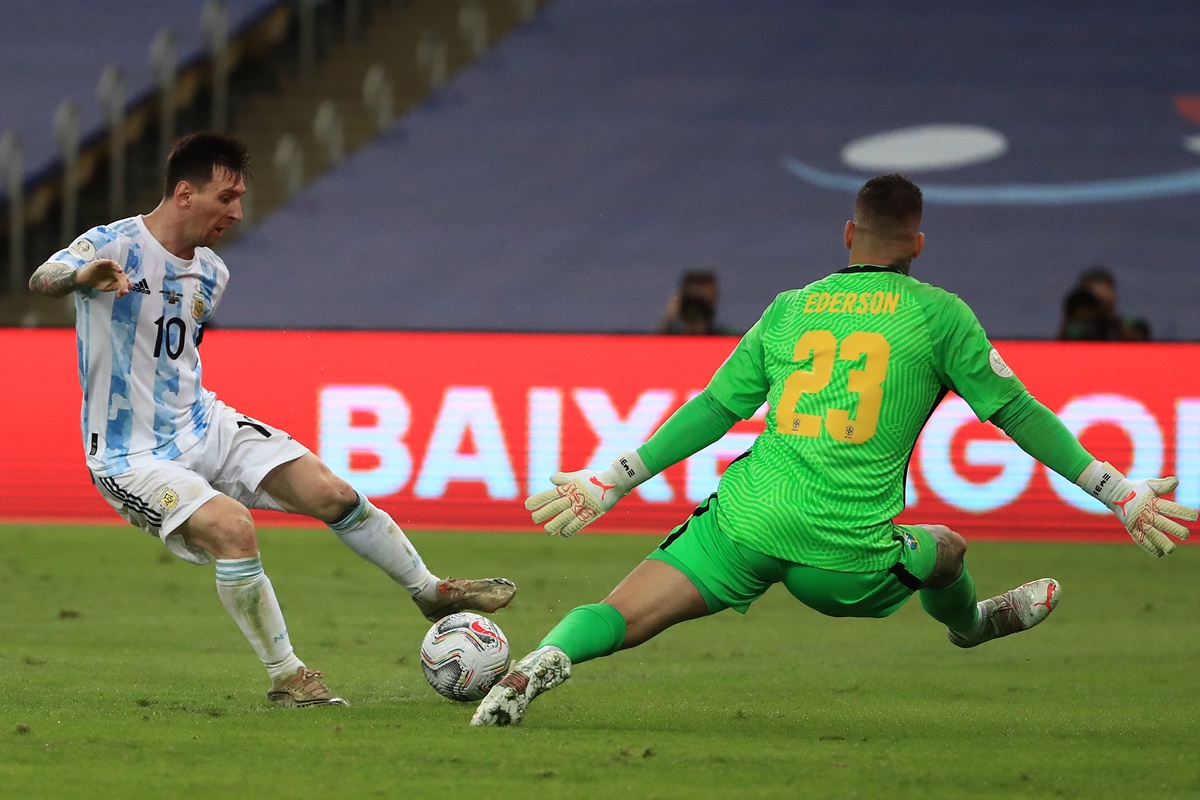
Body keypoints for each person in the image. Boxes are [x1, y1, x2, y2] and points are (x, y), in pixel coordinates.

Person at [470, 173, 1197, 727]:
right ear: (917, 244)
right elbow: (1017, 411)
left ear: (847, 235)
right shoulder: (939, 317)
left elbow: (717, 408)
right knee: (945, 547)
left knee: (622, 614)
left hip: (746, 523)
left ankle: (540, 661)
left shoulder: (791, 307)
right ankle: (973, 626)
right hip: (841, 555)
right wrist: (1116, 491)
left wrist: (611, 480)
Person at [28, 132, 516, 708]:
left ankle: (430, 592)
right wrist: (81, 279)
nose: (237, 212)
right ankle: (288, 677)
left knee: (333, 493)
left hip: (203, 424)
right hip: (129, 455)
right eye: (226, 197)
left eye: (240, 198)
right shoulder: (112, 243)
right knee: (234, 530)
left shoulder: (212, 273)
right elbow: (44, 278)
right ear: (185, 193)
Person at [657, 269, 726, 335]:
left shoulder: (728, 338)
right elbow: (655, 345)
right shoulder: (671, 337)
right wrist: (668, 320)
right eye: (692, 299)